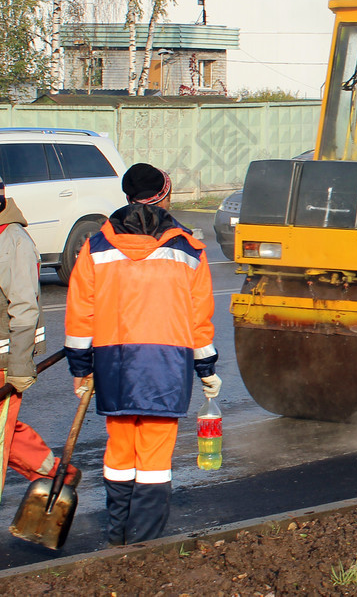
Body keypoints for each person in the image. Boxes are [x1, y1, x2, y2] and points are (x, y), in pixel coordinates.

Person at [64, 163, 221, 546]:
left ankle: (117, 534)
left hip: (115, 363)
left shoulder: (97, 245)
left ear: (127, 197)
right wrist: (206, 368)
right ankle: (144, 542)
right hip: (166, 364)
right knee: (154, 454)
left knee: (119, 449)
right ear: (165, 195)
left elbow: (80, 312)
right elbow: (199, 317)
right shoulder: (188, 247)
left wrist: (81, 368)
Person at [0, 178, 81, 501]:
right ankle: (52, 472)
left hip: (3, 361)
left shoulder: (12, 241)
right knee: (7, 429)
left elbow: (24, 307)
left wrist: (20, 364)